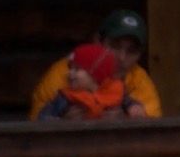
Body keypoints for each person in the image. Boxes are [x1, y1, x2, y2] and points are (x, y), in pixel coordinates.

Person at [28, 9, 166, 123]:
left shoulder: (139, 80)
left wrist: (125, 121)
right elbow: (34, 128)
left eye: (132, 51)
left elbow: (153, 135)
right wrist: (63, 123)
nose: (122, 58)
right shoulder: (64, 72)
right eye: (115, 46)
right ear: (98, 41)